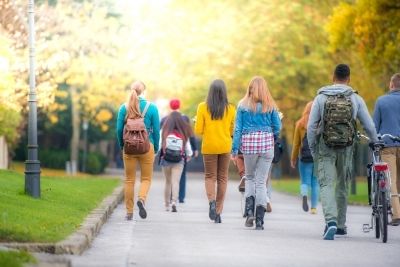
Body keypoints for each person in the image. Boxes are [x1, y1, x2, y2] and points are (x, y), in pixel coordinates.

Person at [307, 64, 378, 240]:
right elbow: (369, 126)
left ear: (333, 76)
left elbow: (310, 126)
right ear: (349, 78)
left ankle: (330, 221)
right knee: (342, 184)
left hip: (325, 146)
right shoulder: (355, 98)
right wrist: (375, 142)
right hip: (347, 147)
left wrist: (313, 147)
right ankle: (340, 225)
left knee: (326, 184)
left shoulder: (321, 98)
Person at [232, 76, 281, 230]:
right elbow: (278, 127)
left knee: (250, 178)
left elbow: (238, 129)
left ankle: (249, 212)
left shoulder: (242, 105)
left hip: (249, 145)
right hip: (266, 144)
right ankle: (260, 220)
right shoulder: (271, 105)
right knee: (261, 182)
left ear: (250, 88)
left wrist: (234, 148)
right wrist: (270, 134)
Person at [116, 81, 160, 221]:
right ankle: (141, 199)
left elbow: (118, 130)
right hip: (147, 147)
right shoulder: (152, 107)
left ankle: (129, 212)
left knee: (129, 180)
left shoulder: (124, 108)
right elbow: (157, 131)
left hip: (129, 148)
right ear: (144, 91)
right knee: (146, 179)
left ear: (132, 91)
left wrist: (122, 145)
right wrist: (156, 147)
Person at [194, 79, 236, 223]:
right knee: (223, 177)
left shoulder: (202, 107)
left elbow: (198, 130)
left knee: (210, 176)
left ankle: (211, 201)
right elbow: (232, 130)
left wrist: (198, 123)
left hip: (209, 146)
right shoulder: (231, 109)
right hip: (225, 146)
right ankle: (218, 212)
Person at [373, 73, 400, 226]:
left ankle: (397, 215)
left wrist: (374, 140)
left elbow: (374, 127)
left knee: (392, 180)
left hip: (387, 145)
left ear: (391, 85)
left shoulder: (381, 101)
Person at [160, 99, 199, 203]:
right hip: (182, 151)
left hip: (166, 152)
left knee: (168, 179)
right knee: (181, 174)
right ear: (179, 106)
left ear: (170, 106)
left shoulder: (164, 119)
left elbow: (161, 136)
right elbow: (190, 135)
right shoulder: (185, 118)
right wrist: (194, 149)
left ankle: (170, 199)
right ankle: (180, 198)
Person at [160, 111, 193, 212]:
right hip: (179, 160)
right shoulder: (183, 131)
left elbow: (160, 145)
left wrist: (156, 153)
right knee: (176, 182)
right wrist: (189, 155)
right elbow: (188, 148)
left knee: (167, 182)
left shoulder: (164, 130)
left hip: (166, 159)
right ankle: (174, 202)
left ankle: (166, 205)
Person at [291, 101, 319, 214]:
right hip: (317, 158)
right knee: (315, 182)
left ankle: (304, 195)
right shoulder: (319, 123)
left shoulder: (300, 123)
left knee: (304, 181)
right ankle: (313, 208)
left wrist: (293, 158)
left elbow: (296, 144)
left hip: (304, 157)